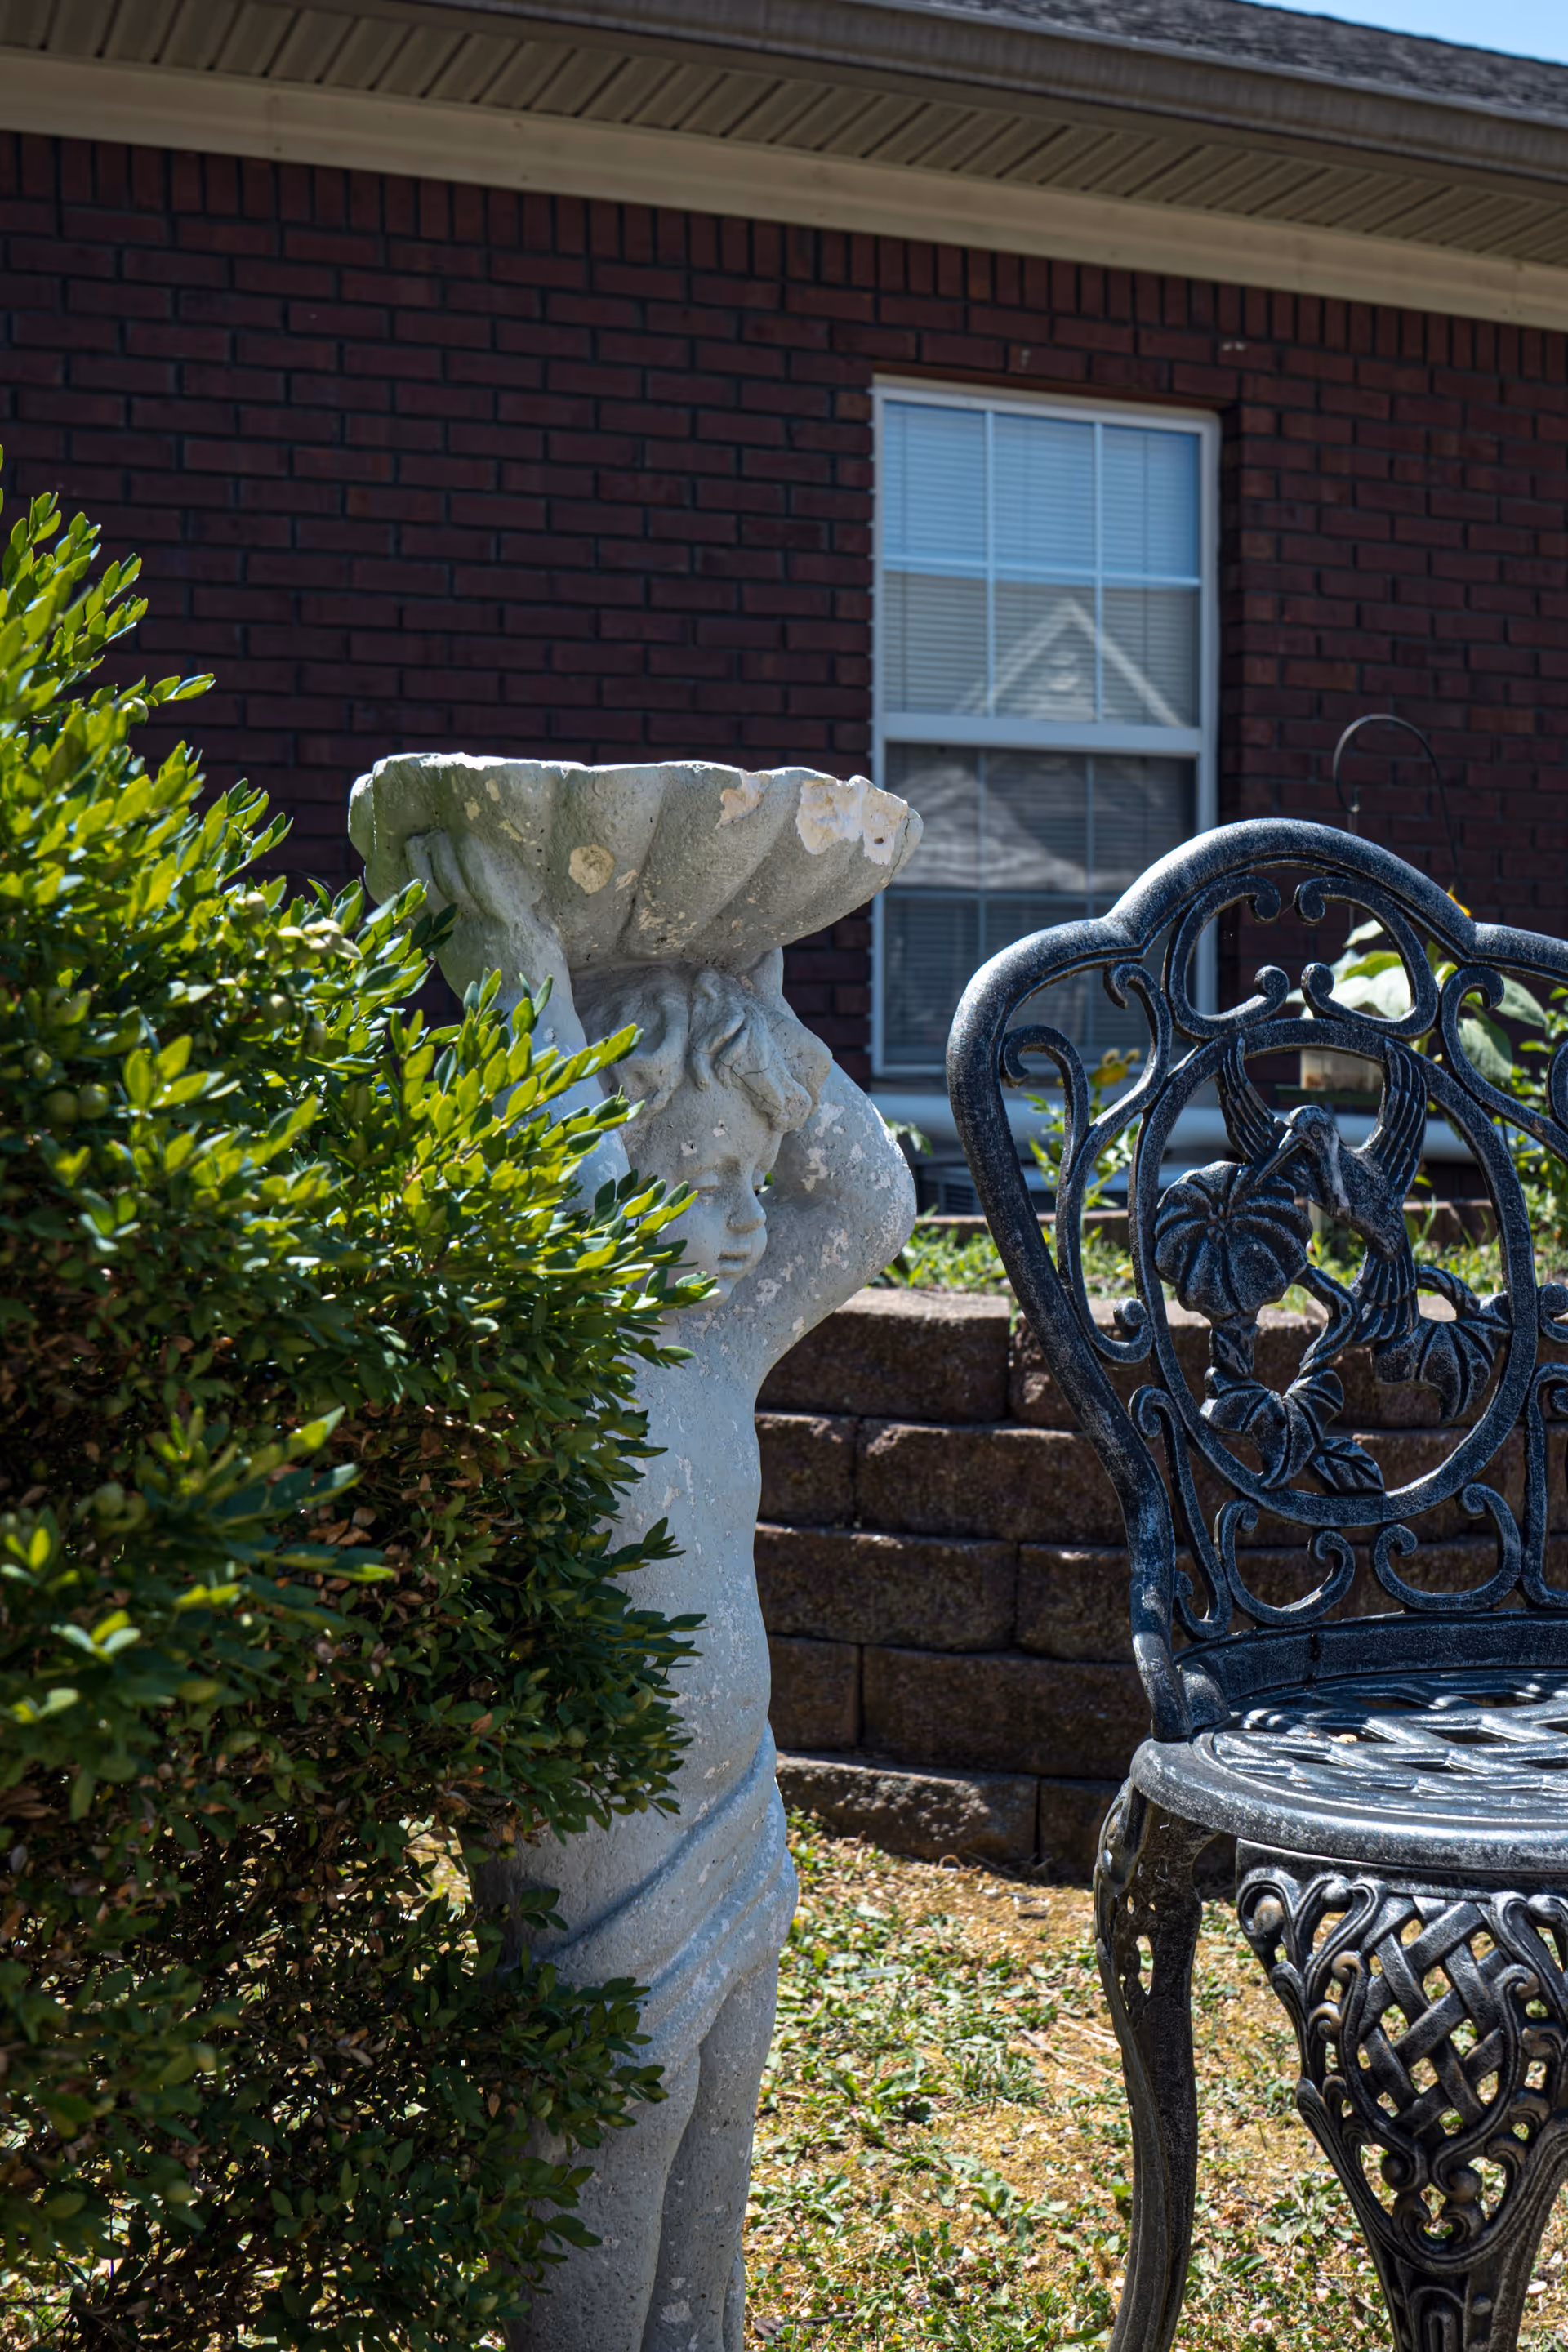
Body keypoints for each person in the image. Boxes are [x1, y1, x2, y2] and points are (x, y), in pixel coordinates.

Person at [413, 836, 915, 2349]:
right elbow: (558, 1208)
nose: (754, 1222)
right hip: (594, 1811)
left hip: (730, 1800)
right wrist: (521, 990)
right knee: (606, 2130)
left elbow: (872, 1204)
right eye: (703, 1178)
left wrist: (763, 1027)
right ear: (610, 1156)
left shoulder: (717, 1340)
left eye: (750, 1179)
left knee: (720, 2105)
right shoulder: (567, 1346)